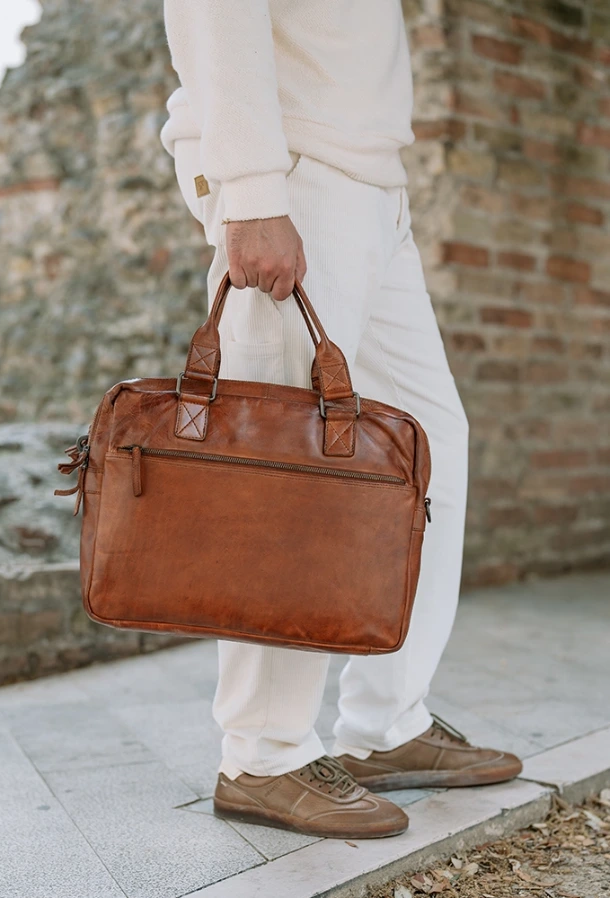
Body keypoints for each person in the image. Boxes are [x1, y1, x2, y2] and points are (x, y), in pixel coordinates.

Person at [160, 0, 522, 840]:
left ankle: (385, 724)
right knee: (288, 472)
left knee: (426, 447)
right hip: (297, 171)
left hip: (371, 181)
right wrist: (253, 190)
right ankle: (263, 755)